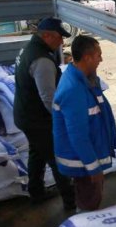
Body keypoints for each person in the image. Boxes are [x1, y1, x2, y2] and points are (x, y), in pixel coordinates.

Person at [14, 17, 75, 210]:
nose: (62, 42)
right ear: (46, 35)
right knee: (57, 157)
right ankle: (71, 201)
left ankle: (36, 192)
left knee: (37, 152)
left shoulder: (29, 48)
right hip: (37, 119)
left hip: (25, 113)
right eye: (59, 37)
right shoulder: (42, 60)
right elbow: (48, 97)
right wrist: (62, 119)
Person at [52, 35, 116, 212]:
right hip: (83, 165)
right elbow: (78, 136)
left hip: (86, 161)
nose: (101, 59)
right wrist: (93, 168)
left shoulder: (83, 79)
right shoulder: (74, 89)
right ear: (87, 58)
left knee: (88, 200)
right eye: (98, 55)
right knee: (89, 205)